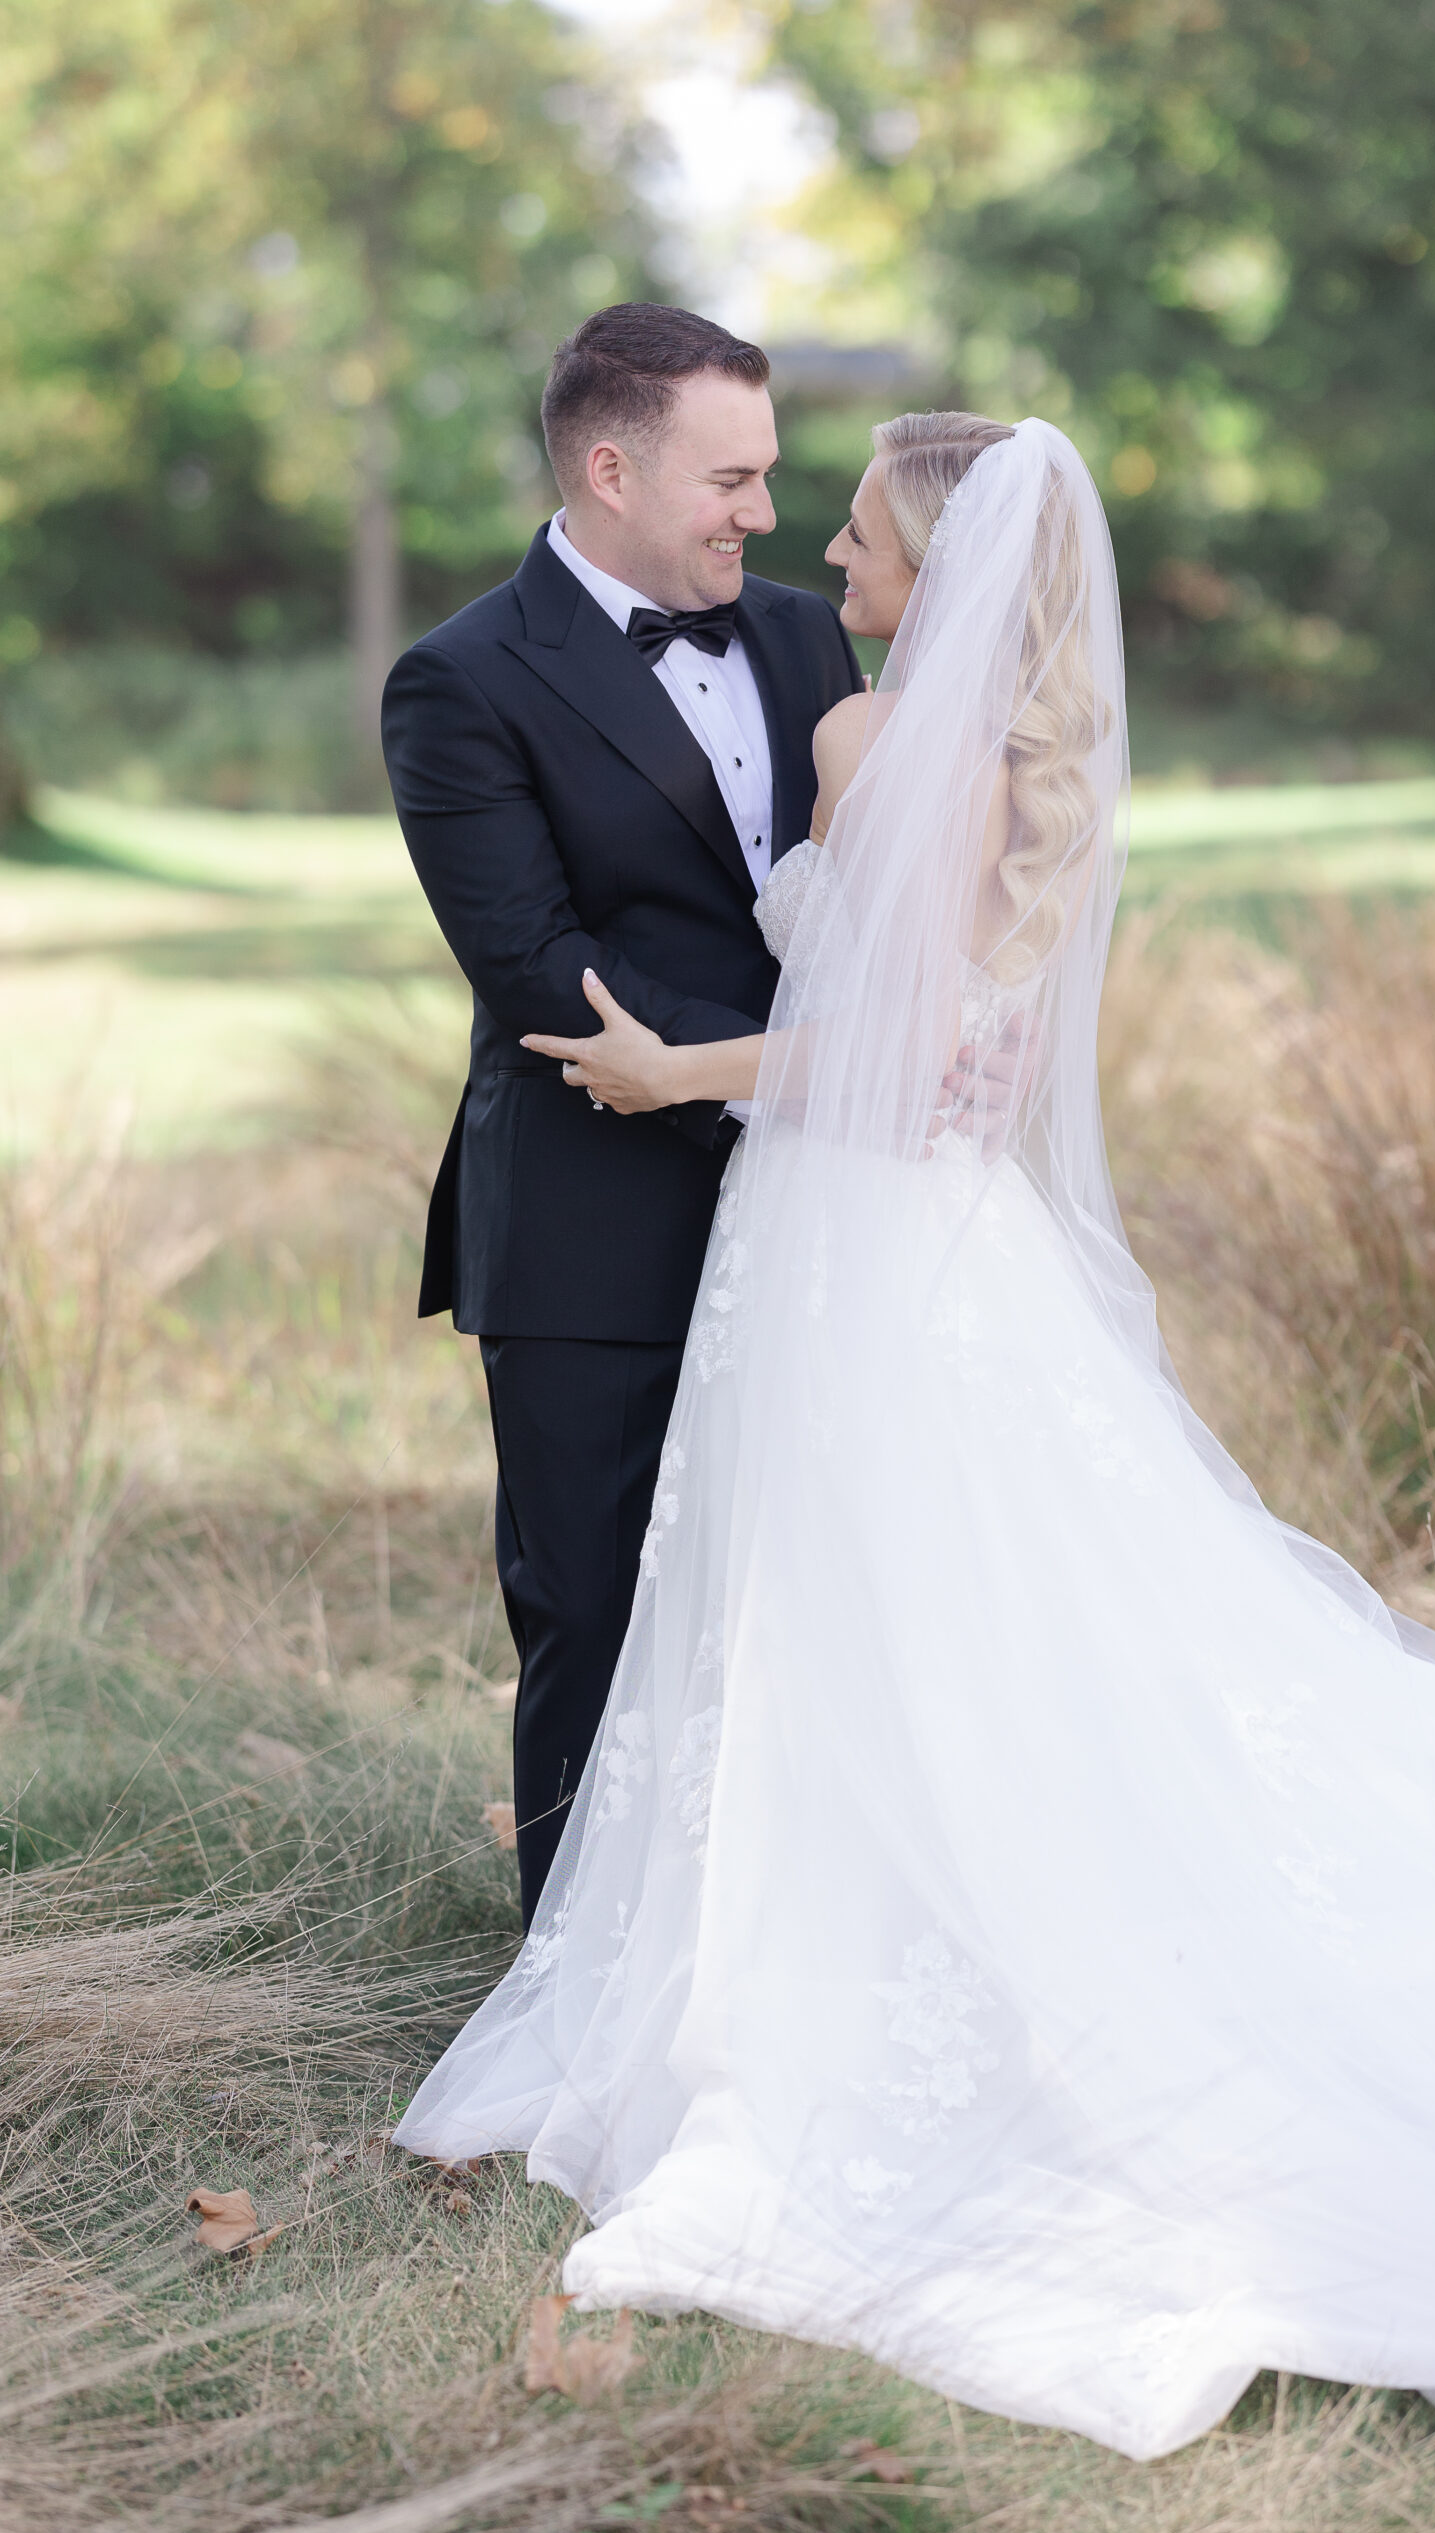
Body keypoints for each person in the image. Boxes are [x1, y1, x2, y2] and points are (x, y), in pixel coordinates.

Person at [397, 414, 1435, 2533]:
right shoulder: (1036, 771)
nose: (815, 549)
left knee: (871, 1619)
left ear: (933, 559)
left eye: (847, 525)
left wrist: (675, 1067)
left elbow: (903, 1051)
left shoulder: (873, 753)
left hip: (849, 1240)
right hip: (917, 1252)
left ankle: (871, 1982)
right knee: (903, 1623)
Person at [381, 304, 863, 1925]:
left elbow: (877, 909)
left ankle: (771, 1955)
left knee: (803, 1599)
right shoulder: (456, 682)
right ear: (609, 468)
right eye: (731, 477)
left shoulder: (808, 640)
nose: (766, 513)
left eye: (772, 475)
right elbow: (541, 968)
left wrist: (856, 1073)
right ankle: (573, 1993)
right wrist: (821, 1069)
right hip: (590, 1223)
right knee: (592, 1603)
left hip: (824, 1213)